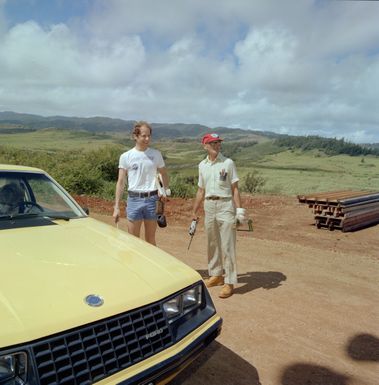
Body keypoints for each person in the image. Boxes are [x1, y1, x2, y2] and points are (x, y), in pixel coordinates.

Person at [192, 133, 246, 298]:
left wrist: (239, 210)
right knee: (212, 242)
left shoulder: (228, 163)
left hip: (225, 205)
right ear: (205, 145)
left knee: (228, 244)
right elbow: (201, 190)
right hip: (209, 205)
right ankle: (216, 275)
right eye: (213, 143)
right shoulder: (202, 165)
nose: (217, 145)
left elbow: (235, 188)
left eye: (218, 143)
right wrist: (194, 211)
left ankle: (229, 282)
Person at [113, 121, 170, 245]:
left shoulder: (156, 154)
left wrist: (165, 191)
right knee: (133, 241)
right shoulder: (126, 156)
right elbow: (121, 182)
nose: (147, 138)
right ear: (135, 136)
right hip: (134, 200)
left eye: (149, 135)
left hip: (152, 199)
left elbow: (164, 174)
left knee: (150, 240)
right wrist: (116, 207)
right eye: (144, 136)